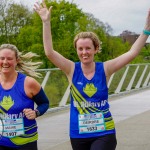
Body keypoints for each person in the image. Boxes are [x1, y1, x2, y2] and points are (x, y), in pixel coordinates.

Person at [34, 0, 150, 149]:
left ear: (96, 49)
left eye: (88, 48)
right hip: (78, 134)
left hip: (104, 132)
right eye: (80, 49)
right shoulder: (71, 69)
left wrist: (146, 29)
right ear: (76, 50)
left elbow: (132, 53)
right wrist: (46, 22)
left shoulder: (105, 69)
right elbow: (49, 53)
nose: (84, 52)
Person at [0, 44, 49, 150]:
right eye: (2, 58)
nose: (5, 62)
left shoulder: (28, 83)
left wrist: (35, 112)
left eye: (9, 59)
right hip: (2, 142)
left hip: (26, 142)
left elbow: (44, 103)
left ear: (16, 60)